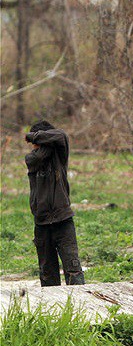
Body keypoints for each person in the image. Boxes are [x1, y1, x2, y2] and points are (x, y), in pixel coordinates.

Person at [25, 120, 85, 287]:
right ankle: (51, 309)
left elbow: (61, 135)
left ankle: (81, 306)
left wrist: (32, 137)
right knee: (47, 272)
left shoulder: (59, 156)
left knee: (73, 267)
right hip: (41, 223)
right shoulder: (32, 159)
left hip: (63, 220)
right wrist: (46, 145)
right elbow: (37, 155)